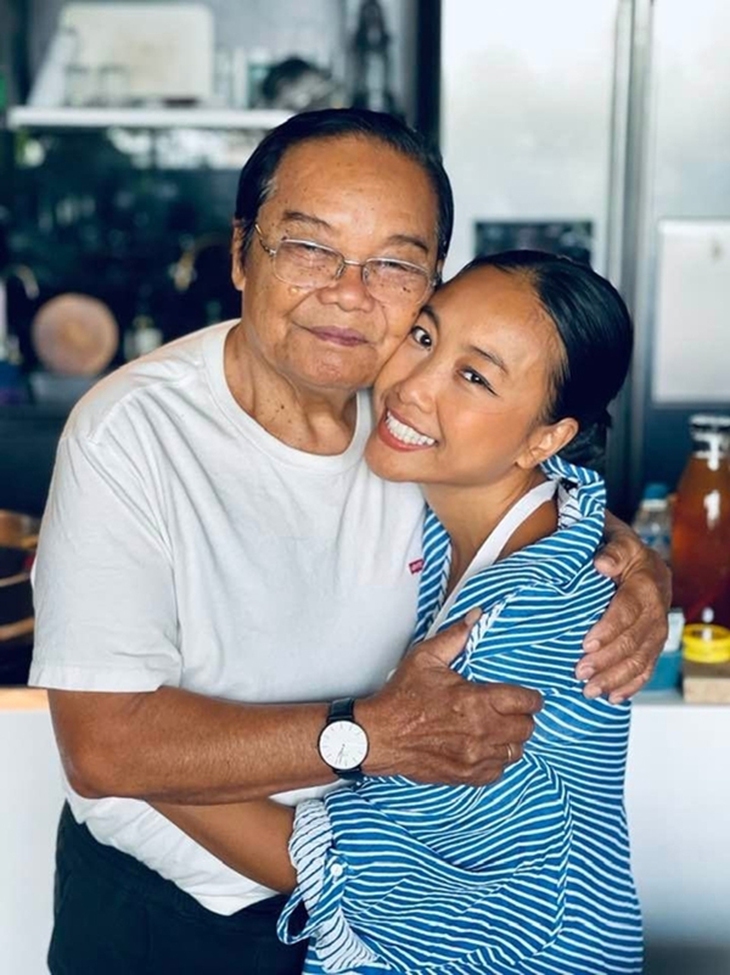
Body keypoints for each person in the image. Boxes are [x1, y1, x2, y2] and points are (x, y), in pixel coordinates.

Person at [29, 110, 668, 975]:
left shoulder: (409, 414)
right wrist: (366, 734)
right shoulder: (132, 434)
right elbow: (104, 747)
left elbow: (527, 483)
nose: (349, 293)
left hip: (356, 921)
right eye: (309, 247)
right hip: (166, 920)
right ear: (241, 253)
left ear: (431, 281)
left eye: (394, 265)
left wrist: (628, 557)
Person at [155, 251, 643, 974]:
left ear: (547, 438)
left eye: (474, 377)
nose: (412, 386)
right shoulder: (492, 508)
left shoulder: (522, 629)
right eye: (424, 336)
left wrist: (134, 749)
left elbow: (354, 875)